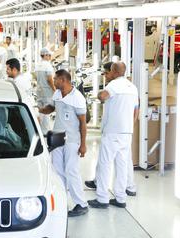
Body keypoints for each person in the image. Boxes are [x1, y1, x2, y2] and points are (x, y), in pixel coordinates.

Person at [88, 62, 139, 209]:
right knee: (122, 166)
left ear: (114, 71)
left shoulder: (114, 85)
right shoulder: (133, 87)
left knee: (105, 164)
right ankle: (120, 198)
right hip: (126, 132)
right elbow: (136, 111)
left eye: (109, 71)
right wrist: (130, 127)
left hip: (112, 132)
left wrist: (99, 93)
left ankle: (102, 199)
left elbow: (103, 97)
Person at [39, 70, 88, 217]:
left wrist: (83, 144)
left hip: (73, 139)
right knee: (58, 171)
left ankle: (81, 204)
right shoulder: (58, 94)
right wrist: (40, 110)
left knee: (71, 171)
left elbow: (83, 123)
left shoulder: (77, 98)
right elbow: (52, 108)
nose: (53, 81)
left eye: (55, 79)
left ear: (63, 80)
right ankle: (61, 201)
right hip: (57, 138)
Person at [35, 47, 56, 134]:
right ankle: (46, 132)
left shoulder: (38, 65)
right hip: (47, 92)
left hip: (39, 91)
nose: (50, 57)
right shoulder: (47, 65)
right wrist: (54, 89)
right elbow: (49, 79)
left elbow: (36, 78)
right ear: (45, 55)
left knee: (40, 111)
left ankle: (38, 130)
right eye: (49, 55)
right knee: (47, 111)